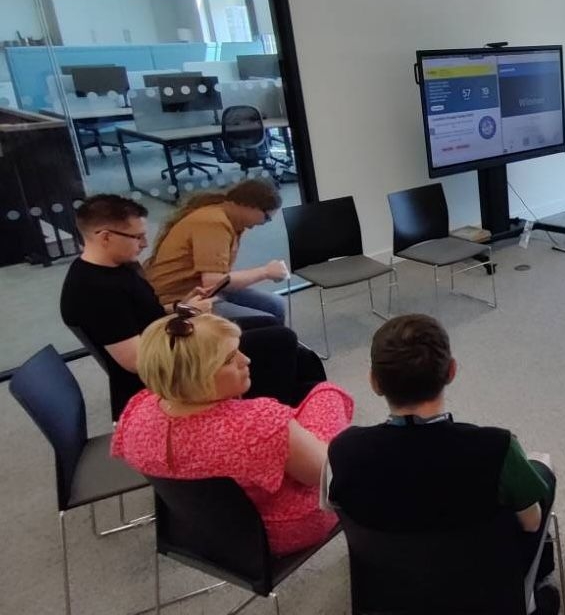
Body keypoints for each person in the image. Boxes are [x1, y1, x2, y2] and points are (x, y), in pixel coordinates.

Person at [325, 314, 559, 614]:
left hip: (390, 590)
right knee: (543, 471)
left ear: (374, 382)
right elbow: (532, 522)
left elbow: (339, 510)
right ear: (451, 371)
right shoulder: (496, 448)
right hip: (483, 591)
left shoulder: (343, 451)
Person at [111, 312, 354, 556]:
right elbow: (324, 475)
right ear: (197, 375)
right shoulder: (257, 424)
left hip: (197, 526)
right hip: (276, 530)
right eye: (229, 359)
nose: (245, 359)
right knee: (326, 394)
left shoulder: (137, 412)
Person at [60, 194, 322, 417]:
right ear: (105, 237)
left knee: (280, 339)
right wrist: (191, 317)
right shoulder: (94, 291)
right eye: (137, 237)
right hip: (165, 370)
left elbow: (143, 316)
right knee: (281, 340)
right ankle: (268, 417)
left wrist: (182, 307)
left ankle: (288, 409)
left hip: (170, 341)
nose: (144, 244)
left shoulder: (119, 267)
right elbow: (138, 360)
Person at [145, 179, 289, 324]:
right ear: (251, 206)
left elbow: (218, 281)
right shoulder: (215, 223)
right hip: (181, 299)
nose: (263, 223)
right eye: (267, 218)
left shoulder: (224, 215)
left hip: (202, 290)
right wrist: (265, 272)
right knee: (266, 321)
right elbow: (213, 282)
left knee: (275, 304)